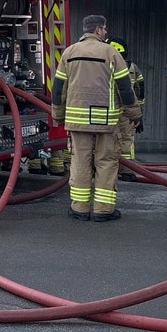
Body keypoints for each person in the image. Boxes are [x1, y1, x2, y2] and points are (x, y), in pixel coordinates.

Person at [51, 15, 140, 222]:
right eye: (105, 29)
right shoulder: (111, 53)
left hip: (77, 121)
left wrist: (58, 113)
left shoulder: (69, 52)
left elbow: (58, 89)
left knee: (80, 163)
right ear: (99, 29)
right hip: (106, 122)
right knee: (106, 163)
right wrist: (134, 113)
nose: (106, 33)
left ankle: (79, 209)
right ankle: (103, 211)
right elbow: (125, 88)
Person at [107, 37, 145, 182]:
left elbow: (140, 90)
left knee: (121, 140)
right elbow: (139, 90)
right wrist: (138, 113)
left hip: (117, 111)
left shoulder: (130, 68)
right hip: (123, 111)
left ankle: (124, 170)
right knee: (123, 140)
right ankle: (123, 170)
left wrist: (139, 113)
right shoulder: (131, 67)